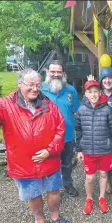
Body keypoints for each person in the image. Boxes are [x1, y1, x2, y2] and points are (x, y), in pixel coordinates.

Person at [0, 70, 71, 223]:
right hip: (23, 164)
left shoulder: (49, 104)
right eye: (30, 85)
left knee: (54, 191)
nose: (35, 89)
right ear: (20, 84)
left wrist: (50, 150)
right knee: (32, 195)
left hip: (50, 160)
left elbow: (60, 130)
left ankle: (55, 217)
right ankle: (39, 221)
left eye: (38, 85)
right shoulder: (5, 105)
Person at [75, 79, 112, 214]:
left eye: (95, 91)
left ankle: (102, 197)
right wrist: (78, 149)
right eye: (90, 92)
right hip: (88, 150)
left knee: (103, 174)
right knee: (89, 177)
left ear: (100, 92)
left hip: (104, 150)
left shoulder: (107, 109)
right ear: (86, 95)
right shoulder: (81, 110)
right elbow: (78, 130)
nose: (93, 94)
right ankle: (89, 198)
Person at [41, 60, 80, 197]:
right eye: (53, 72)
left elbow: (76, 111)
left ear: (63, 74)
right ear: (48, 72)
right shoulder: (40, 90)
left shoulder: (71, 90)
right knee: (50, 165)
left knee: (67, 163)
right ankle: (52, 191)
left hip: (68, 136)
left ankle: (68, 185)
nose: (56, 74)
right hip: (48, 138)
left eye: (59, 72)